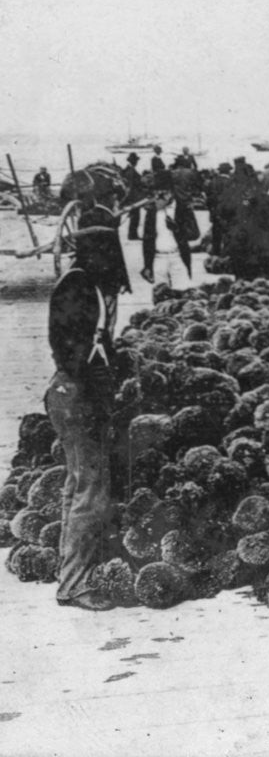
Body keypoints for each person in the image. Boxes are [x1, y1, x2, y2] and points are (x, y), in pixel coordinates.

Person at [45, 214, 130, 609]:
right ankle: (74, 585)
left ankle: (70, 575)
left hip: (71, 392)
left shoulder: (83, 283)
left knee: (76, 485)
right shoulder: (78, 285)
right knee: (90, 491)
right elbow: (72, 350)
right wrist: (98, 395)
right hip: (75, 396)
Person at [140, 175, 192, 289]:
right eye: (157, 193)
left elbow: (194, 233)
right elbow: (147, 239)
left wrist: (177, 229)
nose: (160, 197)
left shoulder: (182, 208)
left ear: (171, 193)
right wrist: (147, 265)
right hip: (158, 259)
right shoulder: (151, 212)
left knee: (184, 295)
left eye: (164, 193)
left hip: (178, 257)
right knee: (161, 298)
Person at [121, 152, 144, 240]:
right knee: (135, 216)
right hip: (133, 197)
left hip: (132, 196)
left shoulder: (128, 170)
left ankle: (132, 234)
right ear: (134, 161)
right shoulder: (131, 171)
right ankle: (132, 235)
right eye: (136, 161)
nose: (137, 162)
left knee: (134, 216)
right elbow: (130, 186)